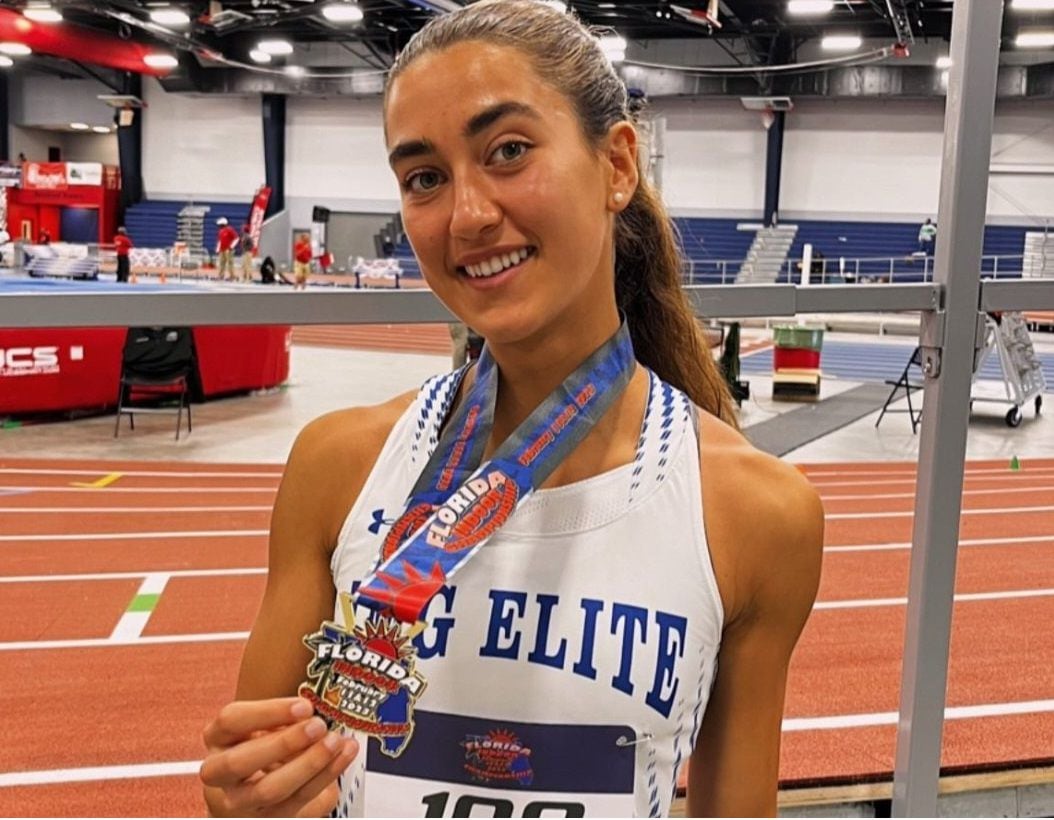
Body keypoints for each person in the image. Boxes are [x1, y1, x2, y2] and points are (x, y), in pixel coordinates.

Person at [199, 2, 824, 817]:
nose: (467, 215)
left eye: (509, 152)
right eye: (425, 177)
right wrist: (245, 800)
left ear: (618, 166)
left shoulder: (755, 514)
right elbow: (263, 780)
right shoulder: (336, 467)